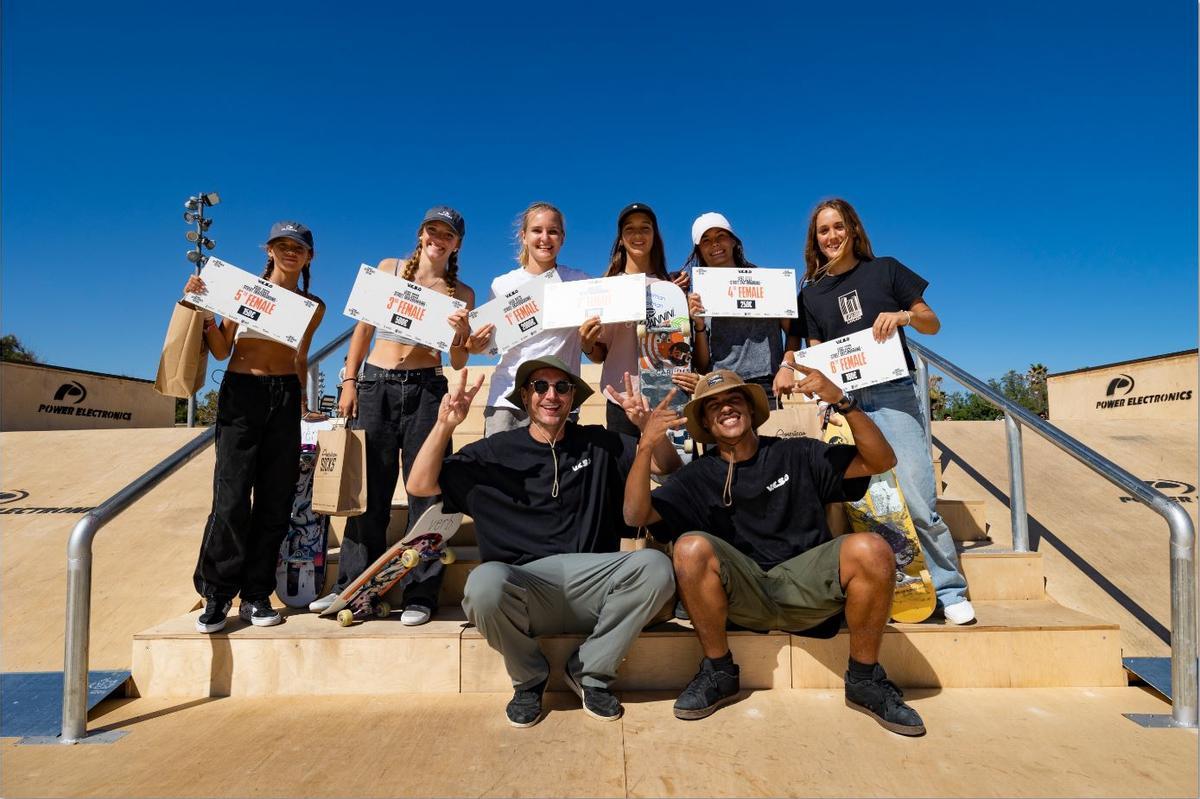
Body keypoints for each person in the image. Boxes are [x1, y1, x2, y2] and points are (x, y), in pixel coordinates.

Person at [625, 369, 928, 735]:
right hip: (743, 596)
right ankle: (719, 672)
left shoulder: (797, 452)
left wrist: (842, 403)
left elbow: (881, 462)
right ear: (705, 422)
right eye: (714, 406)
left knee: (872, 548)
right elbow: (636, 515)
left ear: (751, 411)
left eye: (734, 400)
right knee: (689, 547)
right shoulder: (698, 475)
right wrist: (645, 447)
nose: (726, 409)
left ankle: (864, 680)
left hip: (807, 588)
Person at [406, 356, 682, 727]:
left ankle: (589, 671)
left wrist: (650, 433)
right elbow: (419, 485)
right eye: (540, 386)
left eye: (562, 387)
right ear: (525, 396)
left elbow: (667, 468)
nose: (551, 395)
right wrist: (445, 424)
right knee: (482, 585)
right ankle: (529, 679)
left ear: (572, 398)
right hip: (524, 590)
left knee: (657, 567)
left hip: (594, 584)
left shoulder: (600, 444)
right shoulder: (492, 453)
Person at [787, 197, 973, 624]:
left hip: (892, 394)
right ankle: (888, 589)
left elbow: (932, 322)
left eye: (838, 227)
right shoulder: (811, 293)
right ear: (814, 240)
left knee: (915, 497)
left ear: (852, 229)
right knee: (867, 506)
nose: (831, 236)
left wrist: (903, 315)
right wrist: (823, 400)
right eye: (822, 231)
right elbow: (815, 353)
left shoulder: (885, 269)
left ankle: (948, 588)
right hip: (844, 402)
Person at [308, 206, 476, 626]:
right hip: (376, 384)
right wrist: (349, 381)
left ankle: (421, 593)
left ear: (457, 243)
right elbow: (363, 329)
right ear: (421, 234)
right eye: (432, 230)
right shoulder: (389, 268)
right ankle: (351, 588)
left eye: (448, 234)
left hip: (426, 388)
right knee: (371, 494)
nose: (439, 238)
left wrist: (460, 333)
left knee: (427, 494)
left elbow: (457, 358)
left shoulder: (462, 294)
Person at [187, 221, 326, 633]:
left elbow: (299, 357)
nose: (290, 252)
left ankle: (255, 594)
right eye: (282, 245)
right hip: (242, 392)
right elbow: (220, 350)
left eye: (298, 248)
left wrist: (302, 403)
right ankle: (216, 593)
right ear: (268, 250)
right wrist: (206, 308)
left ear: (308, 257)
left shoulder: (312, 304)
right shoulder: (241, 289)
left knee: (274, 500)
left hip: (283, 395)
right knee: (230, 498)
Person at [466, 202, 591, 437]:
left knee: (557, 473)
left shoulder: (579, 282)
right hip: (508, 401)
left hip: (558, 398)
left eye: (553, 231)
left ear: (562, 238)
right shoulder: (501, 284)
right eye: (537, 230)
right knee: (500, 474)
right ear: (523, 236)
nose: (545, 237)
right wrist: (474, 346)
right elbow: (489, 345)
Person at [580, 203, 684, 436]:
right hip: (621, 400)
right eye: (630, 229)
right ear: (620, 239)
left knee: (670, 472)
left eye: (645, 228)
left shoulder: (670, 289)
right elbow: (600, 354)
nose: (638, 235)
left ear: (654, 236)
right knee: (624, 473)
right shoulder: (605, 288)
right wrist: (586, 344)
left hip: (665, 398)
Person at [683, 212, 802, 405]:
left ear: (733, 241)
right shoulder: (699, 297)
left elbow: (794, 332)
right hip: (721, 385)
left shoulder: (768, 282)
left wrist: (787, 366)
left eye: (721, 236)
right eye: (706, 240)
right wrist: (699, 324)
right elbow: (703, 364)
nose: (715, 244)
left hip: (769, 385)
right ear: (699, 250)